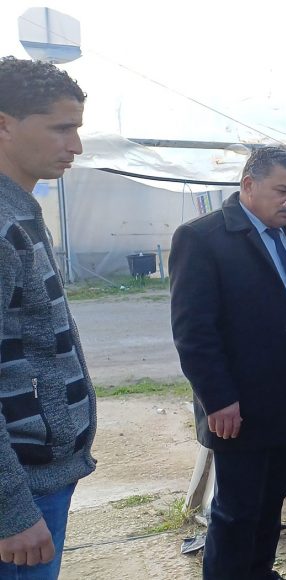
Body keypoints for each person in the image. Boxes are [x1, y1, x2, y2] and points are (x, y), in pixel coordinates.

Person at [170, 146, 286, 580]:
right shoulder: (202, 238)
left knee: (273, 496)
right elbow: (193, 332)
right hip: (239, 401)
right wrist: (218, 398)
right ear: (248, 185)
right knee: (237, 510)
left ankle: (260, 573)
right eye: (282, 191)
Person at [0, 56, 94, 580]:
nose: (75, 146)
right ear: (4, 124)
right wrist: (11, 510)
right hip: (20, 491)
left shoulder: (20, 211)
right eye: (61, 128)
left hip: (39, 477)